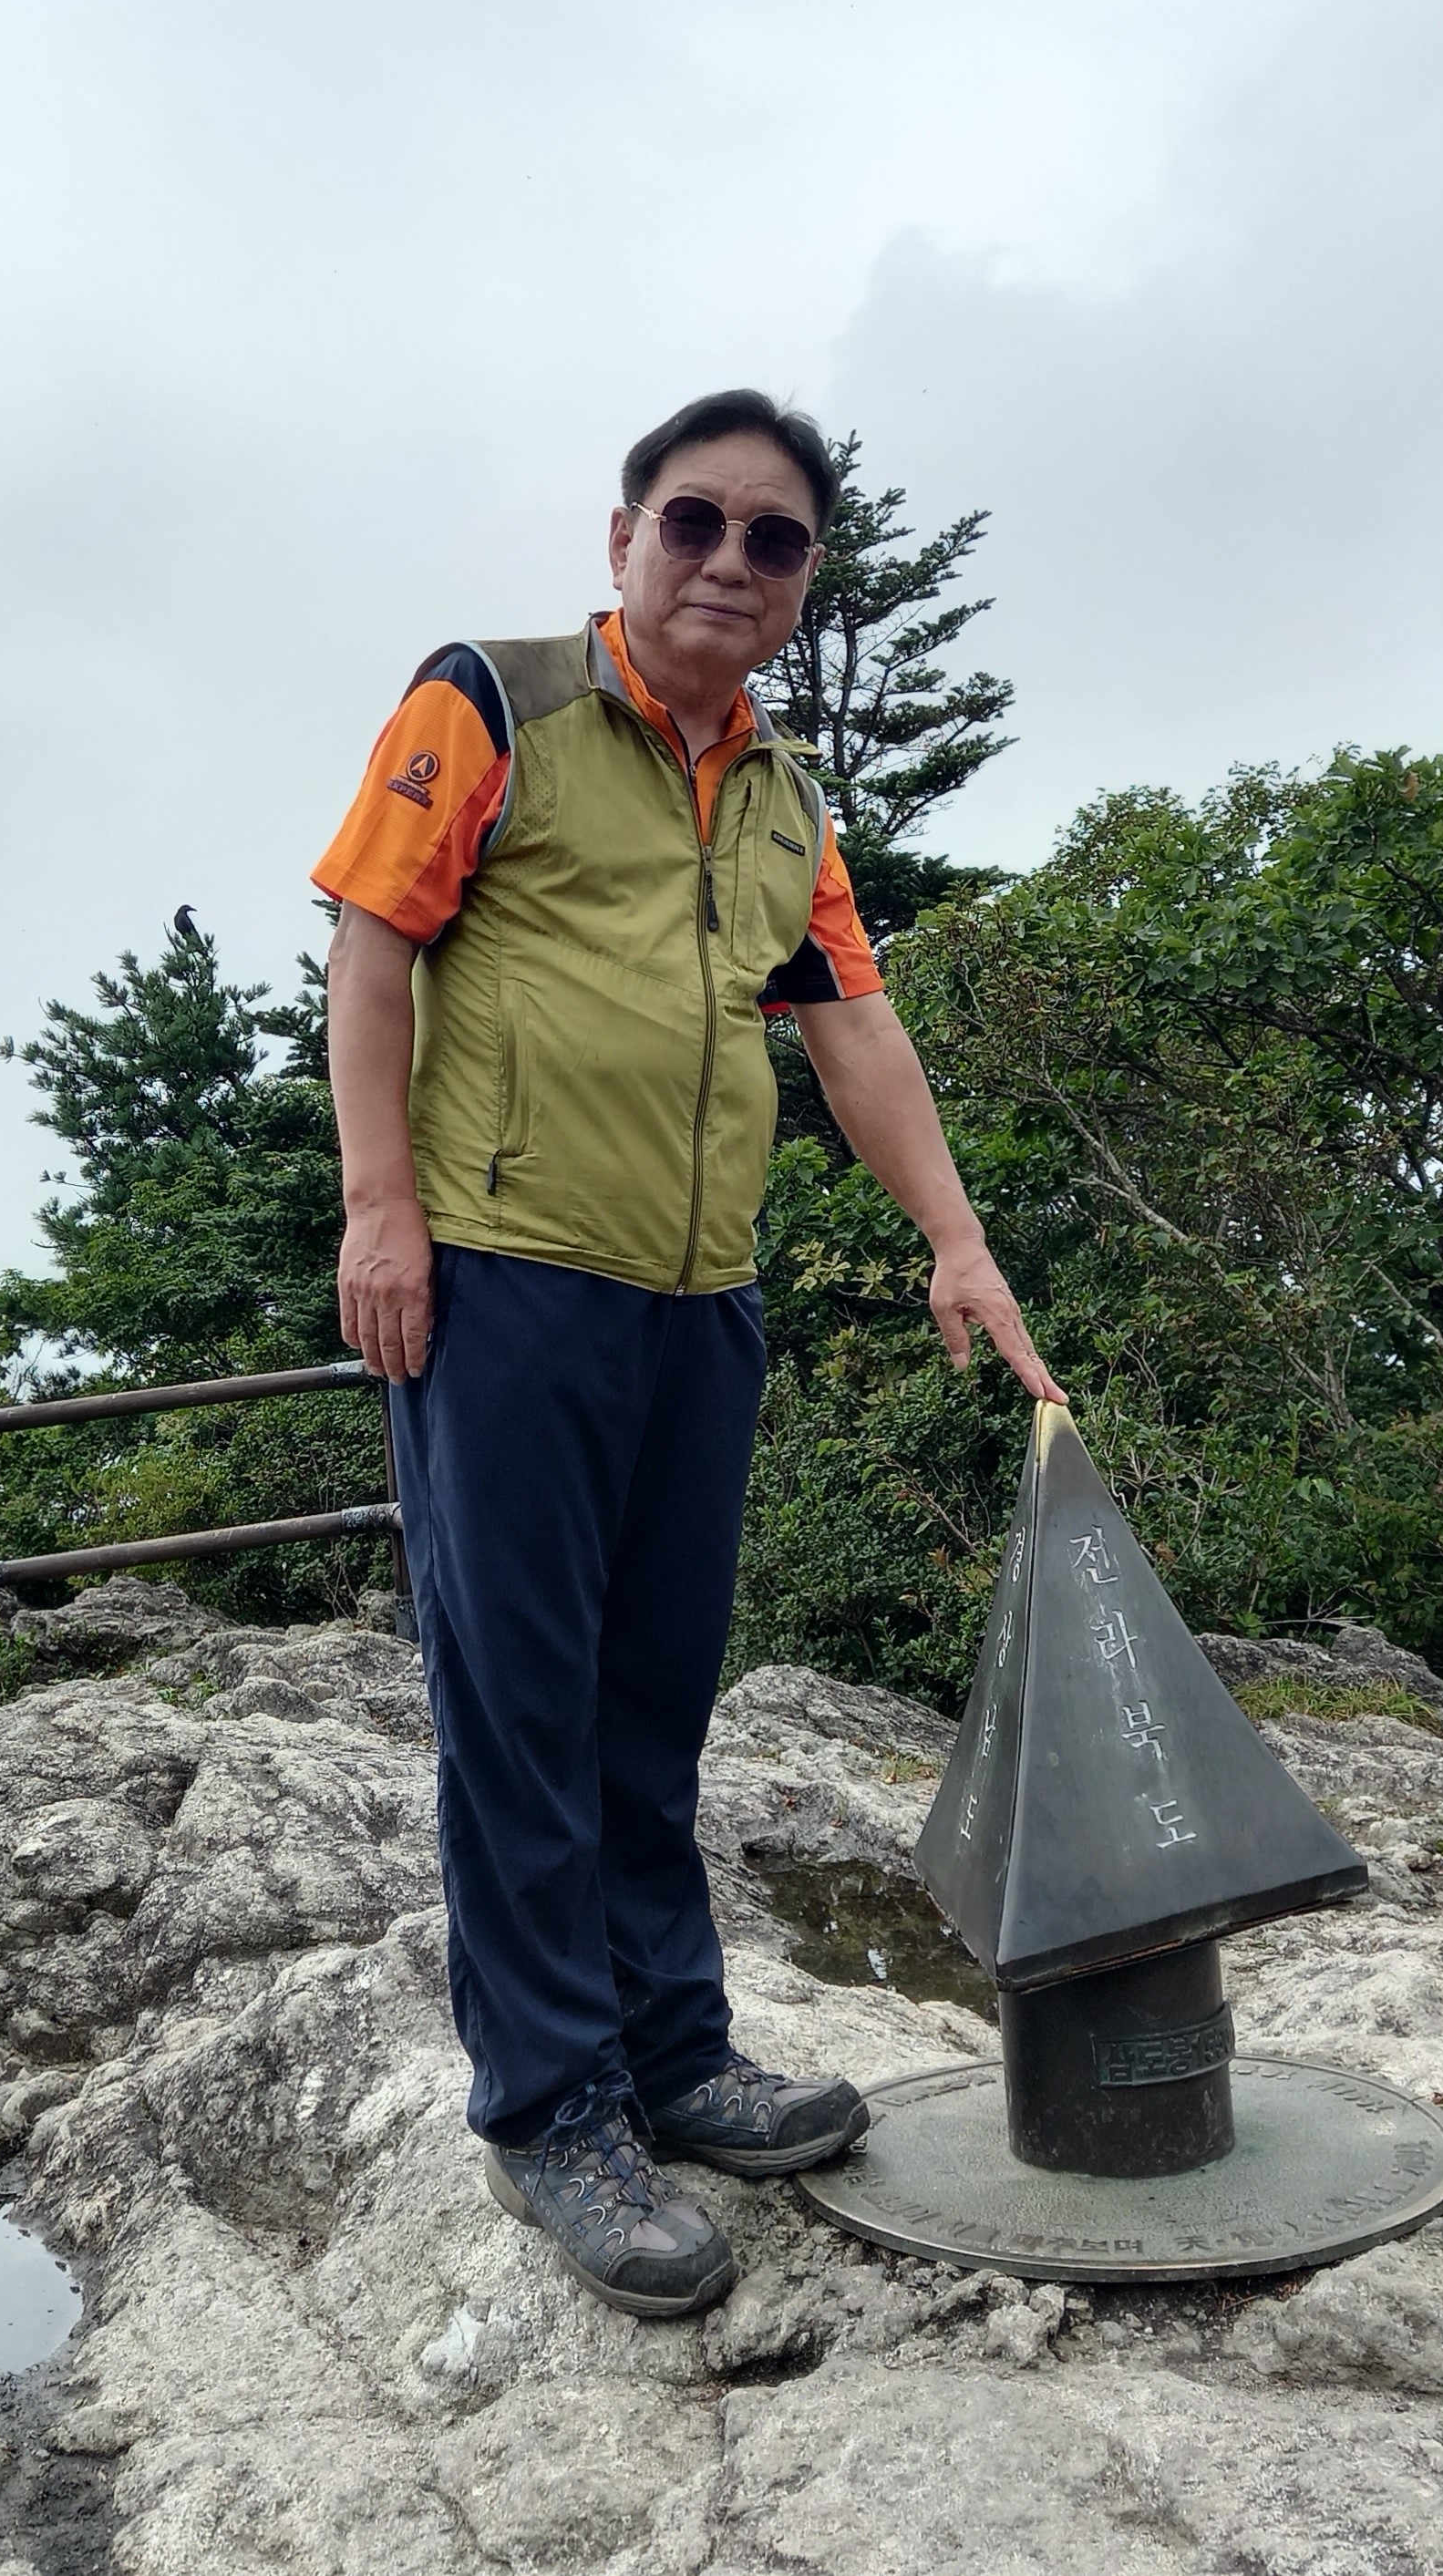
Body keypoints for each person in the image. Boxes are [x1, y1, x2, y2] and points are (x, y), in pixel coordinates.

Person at [314, 386, 1061, 2318]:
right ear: (626, 536)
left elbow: (854, 1025)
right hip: (507, 1281)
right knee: (522, 1711)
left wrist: (959, 1241)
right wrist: (381, 1212)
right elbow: (372, 945)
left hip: (698, 1293)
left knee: (652, 1707)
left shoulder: (784, 795)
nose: (732, 560)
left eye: (775, 538)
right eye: (697, 521)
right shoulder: (493, 702)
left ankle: (674, 2052)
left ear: (805, 581)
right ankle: (552, 2108)